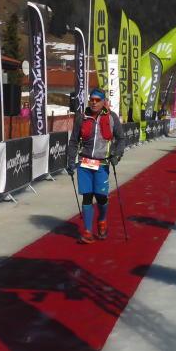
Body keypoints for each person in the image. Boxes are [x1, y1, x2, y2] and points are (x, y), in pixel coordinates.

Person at [66, 88, 126, 244]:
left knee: (100, 196)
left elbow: (121, 139)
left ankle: (102, 220)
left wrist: (117, 156)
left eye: (97, 100)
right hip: (84, 163)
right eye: (92, 99)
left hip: (102, 163)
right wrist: (71, 162)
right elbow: (73, 141)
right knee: (87, 196)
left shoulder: (111, 117)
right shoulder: (82, 118)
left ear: (103, 101)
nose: (94, 102)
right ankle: (88, 232)